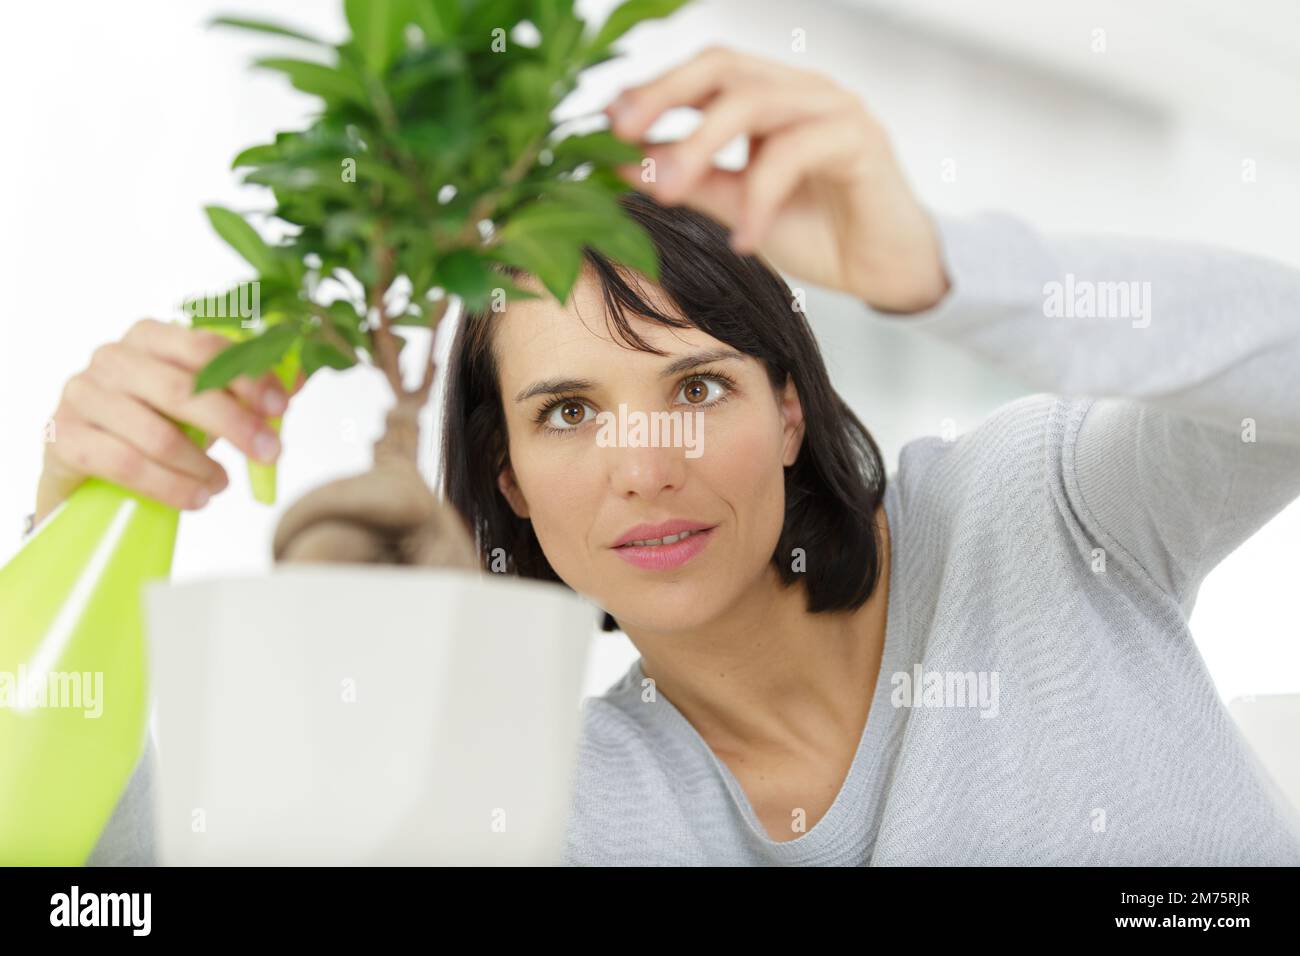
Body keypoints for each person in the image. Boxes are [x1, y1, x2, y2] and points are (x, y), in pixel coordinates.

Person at [51, 47, 1300, 865]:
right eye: (567, 412)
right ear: (509, 483)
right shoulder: (549, 797)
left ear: (793, 408)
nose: (642, 466)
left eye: (695, 385)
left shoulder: (1033, 514)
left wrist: (939, 267)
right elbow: (110, 874)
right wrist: (82, 542)